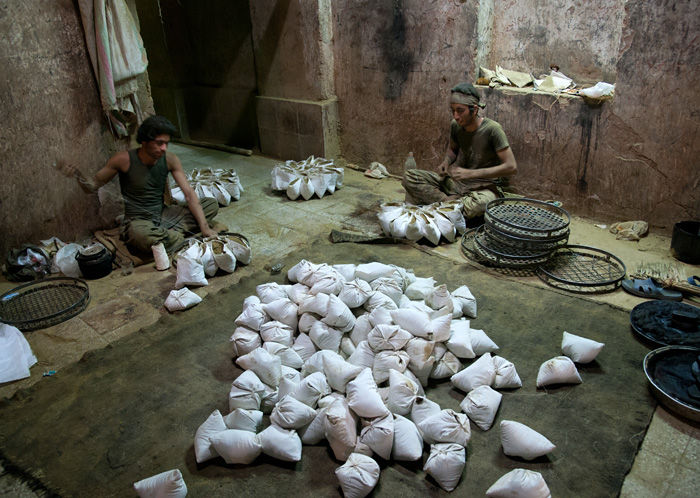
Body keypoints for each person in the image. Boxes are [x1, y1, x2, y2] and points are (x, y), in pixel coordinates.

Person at [59, 115, 219, 254]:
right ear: (144, 141)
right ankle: (174, 235)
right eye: (159, 143)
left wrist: (205, 228)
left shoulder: (170, 160)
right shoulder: (123, 160)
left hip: (164, 214)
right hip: (138, 222)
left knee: (210, 204)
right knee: (141, 236)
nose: (163, 148)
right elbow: (92, 186)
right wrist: (78, 174)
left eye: (166, 144)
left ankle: (167, 235)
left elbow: (189, 194)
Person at [402, 83, 517, 220]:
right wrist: (446, 161)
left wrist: (471, 173)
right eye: (453, 110)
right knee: (409, 177)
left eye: (460, 111)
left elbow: (511, 167)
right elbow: (452, 149)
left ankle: (448, 206)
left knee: (482, 204)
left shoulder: (493, 129)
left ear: (474, 110)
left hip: (483, 188)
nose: (456, 116)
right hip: (458, 185)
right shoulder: (456, 125)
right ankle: (448, 203)